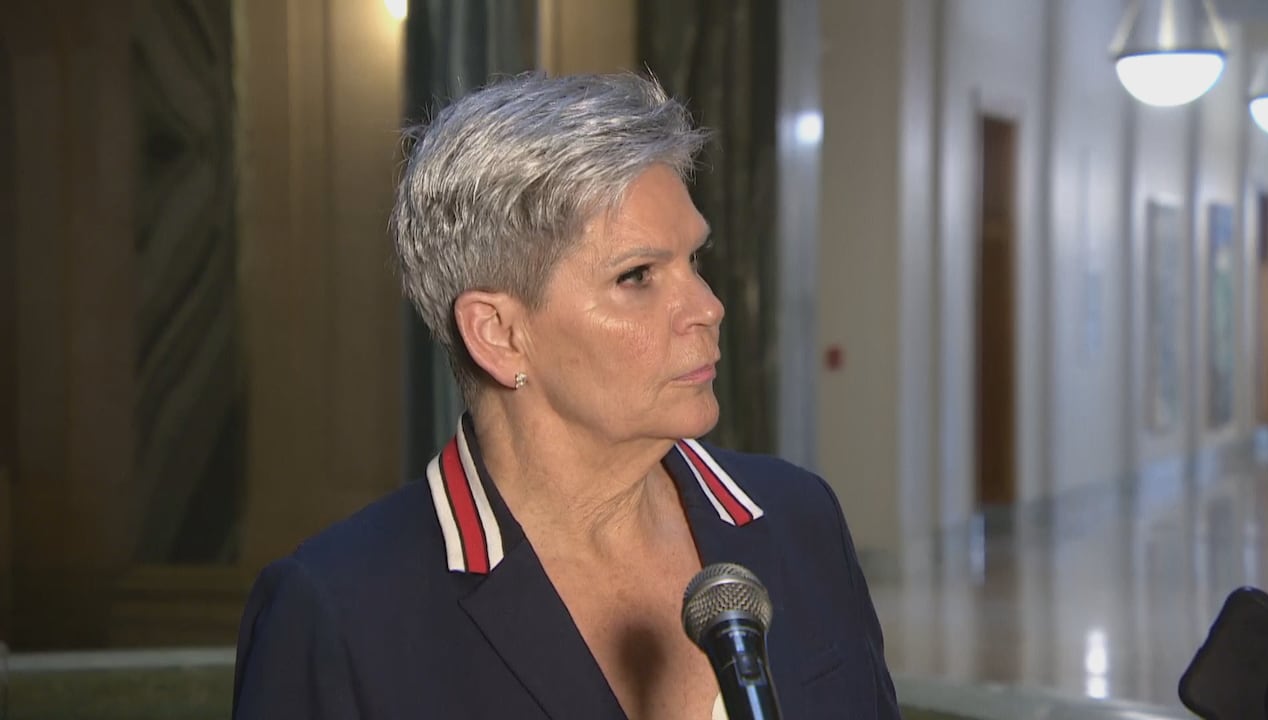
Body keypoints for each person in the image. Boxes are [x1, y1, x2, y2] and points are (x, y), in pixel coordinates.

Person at [232, 71, 900, 720]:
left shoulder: (798, 517)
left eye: (693, 261)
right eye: (637, 275)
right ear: (499, 334)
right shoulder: (340, 612)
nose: (708, 306)